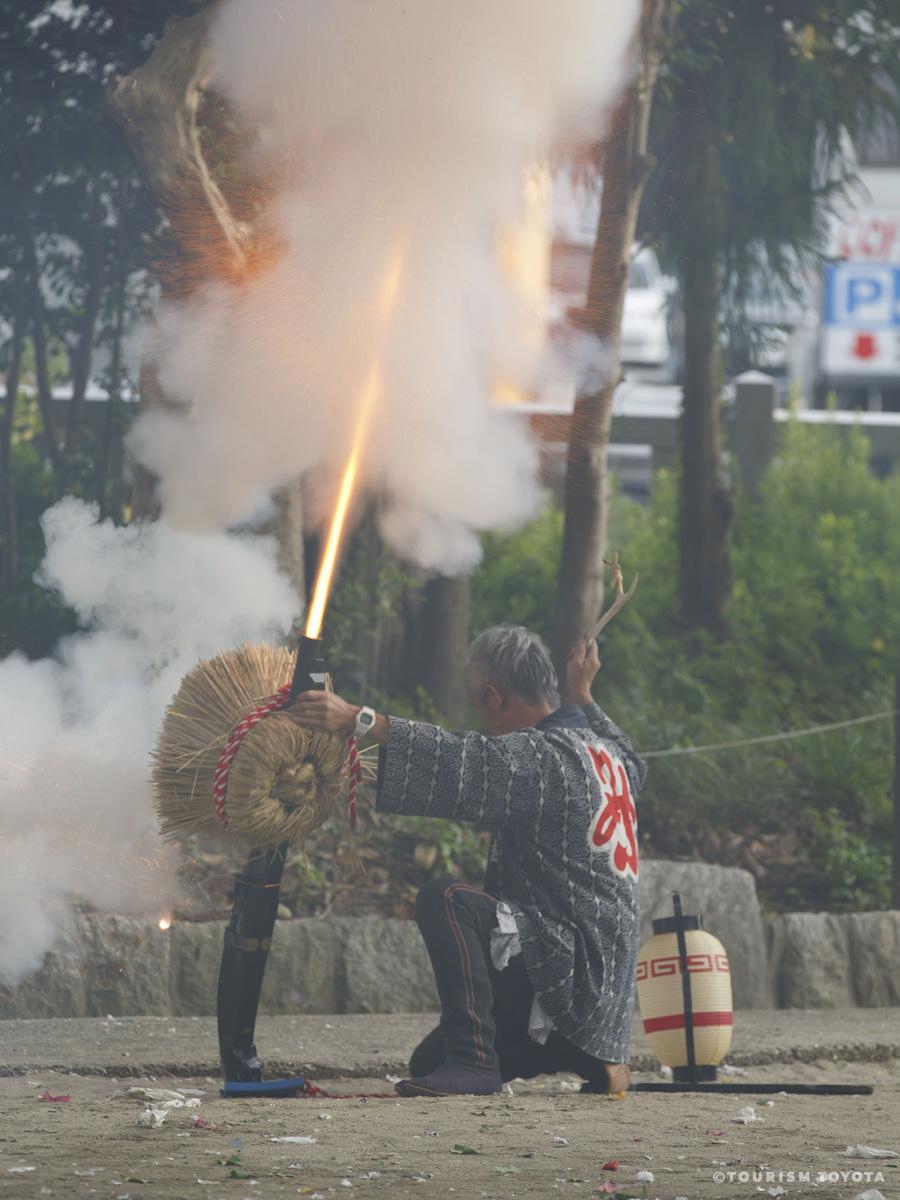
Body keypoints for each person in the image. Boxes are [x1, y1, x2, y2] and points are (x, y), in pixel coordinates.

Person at [288, 624, 646, 1098]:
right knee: (429, 1062)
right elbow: (638, 762)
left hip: (570, 972)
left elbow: (465, 759)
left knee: (448, 899)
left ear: (494, 695)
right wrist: (583, 695)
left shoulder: (543, 755)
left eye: (479, 702)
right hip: (601, 994)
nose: (480, 716)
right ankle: (577, 1054)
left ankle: (476, 1063)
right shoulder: (608, 754)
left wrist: (359, 718)